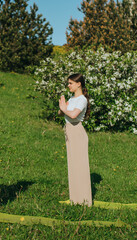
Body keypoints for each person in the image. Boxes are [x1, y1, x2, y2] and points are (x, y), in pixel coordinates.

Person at [58, 73, 92, 206]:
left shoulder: (82, 100)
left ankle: (84, 200)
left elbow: (73, 115)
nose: (68, 86)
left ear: (79, 84)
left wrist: (64, 109)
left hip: (77, 131)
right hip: (69, 131)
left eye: (71, 83)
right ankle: (75, 199)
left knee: (80, 166)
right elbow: (63, 113)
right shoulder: (72, 98)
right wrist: (62, 108)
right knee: (73, 166)